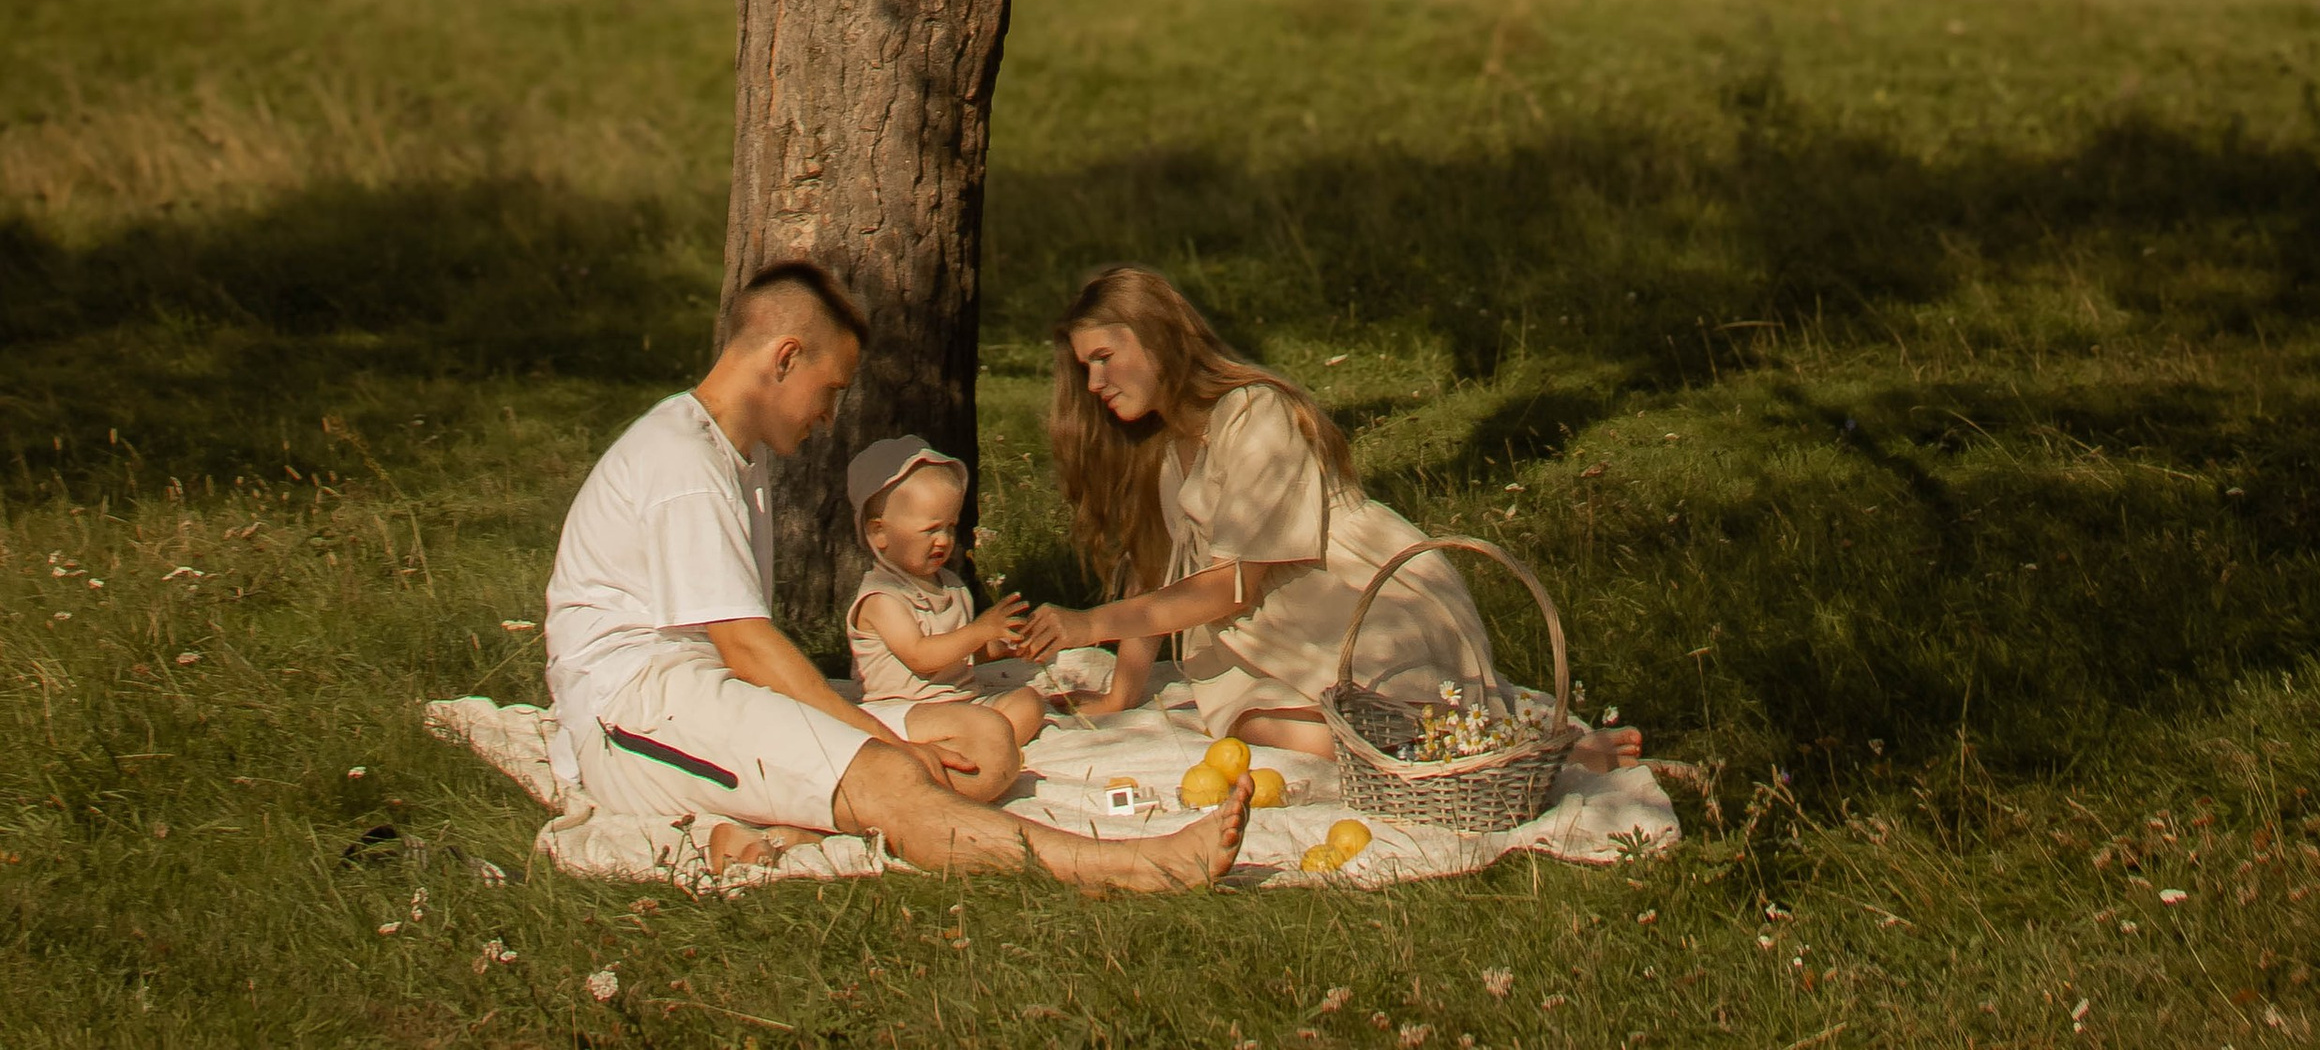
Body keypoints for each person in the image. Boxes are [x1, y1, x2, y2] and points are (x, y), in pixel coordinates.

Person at [543, 258, 1248, 889]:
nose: (829, 416)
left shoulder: (737, 455)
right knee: (894, 771)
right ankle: (1135, 866)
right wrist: (880, 741)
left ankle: (775, 823)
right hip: (637, 711)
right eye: (830, 389)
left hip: (704, 693)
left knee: (980, 746)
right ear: (784, 357)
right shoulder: (683, 465)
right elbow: (746, 644)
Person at [1034, 265, 1642, 770]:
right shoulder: (1166, 454)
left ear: (1159, 340)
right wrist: (1121, 692)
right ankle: (1473, 759)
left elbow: (1230, 584)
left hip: (1352, 603)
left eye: (1106, 357)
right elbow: (1154, 578)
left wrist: (1088, 626)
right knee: (1252, 724)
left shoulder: (1253, 414)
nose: (1094, 382)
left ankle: (1540, 761)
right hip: (1269, 634)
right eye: (1087, 365)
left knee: (1395, 719)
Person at [843, 433, 1059, 753]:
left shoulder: (949, 583)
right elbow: (920, 656)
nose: (943, 540)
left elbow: (959, 653)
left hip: (958, 704)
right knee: (982, 725)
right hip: (901, 711)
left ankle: (976, 752)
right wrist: (980, 630)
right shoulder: (881, 598)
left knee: (1027, 702)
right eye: (930, 530)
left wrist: (1000, 643)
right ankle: (968, 752)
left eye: (950, 527)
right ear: (879, 532)